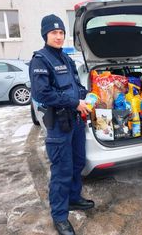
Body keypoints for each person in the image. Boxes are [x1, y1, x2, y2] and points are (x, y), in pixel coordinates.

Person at [29, 14, 94, 235]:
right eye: (54, 32)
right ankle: (59, 215)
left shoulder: (67, 59)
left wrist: (90, 96)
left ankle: (74, 198)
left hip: (75, 122)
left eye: (61, 33)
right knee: (62, 170)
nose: (58, 36)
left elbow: (76, 86)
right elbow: (42, 93)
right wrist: (75, 102)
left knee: (78, 163)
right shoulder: (40, 59)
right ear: (45, 34)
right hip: (58, 124)